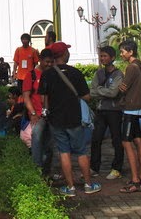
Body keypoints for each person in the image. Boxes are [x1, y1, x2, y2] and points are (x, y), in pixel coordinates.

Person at [38, 42, 101, 197]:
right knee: (81, 152)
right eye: (67, 50)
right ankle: (88, 184)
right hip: (74, 118)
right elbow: (86, 96)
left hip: (55, 119)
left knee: (63, 152)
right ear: (64, 54)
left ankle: (70, 188)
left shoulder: (47, 74)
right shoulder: (75, 73)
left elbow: (42, 97)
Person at [117, 39, 141, 193]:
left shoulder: (131, 67)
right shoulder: (139, 65)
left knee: (126, 142)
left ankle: (135, 180)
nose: (121, 54)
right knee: (138, 141)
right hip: (137, 108)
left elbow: (123, 87)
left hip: (130, 109)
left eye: (123, 51)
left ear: (130, 52)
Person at [89, 46, 125, 179]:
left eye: (105, 56)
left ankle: (117, 168)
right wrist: (104, 91)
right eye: (101, 56)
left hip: (114, 111)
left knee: (116, 140)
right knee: (96, 139)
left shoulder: (118, 74)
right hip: (100, 110)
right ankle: (94, 168)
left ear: (112, 58)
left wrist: (100, 90)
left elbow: (114, 92)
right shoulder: (98, 74)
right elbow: (91, 92)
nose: (102, 58)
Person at [22, 48, 54, 176]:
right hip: (38, 115)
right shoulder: (32, 75)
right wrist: (33, 113)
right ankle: (37, 169)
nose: (49, 64)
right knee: (36, 140)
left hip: (51, 115)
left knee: (49, 144)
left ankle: (46, 172)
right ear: (40, 59)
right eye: (47, 62)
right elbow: (26, 96)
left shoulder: (52, 74)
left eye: (51, 62)